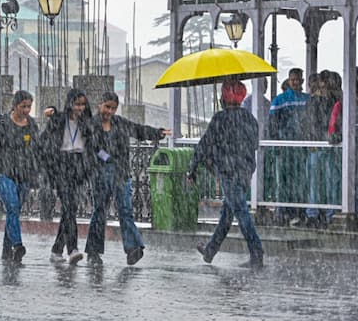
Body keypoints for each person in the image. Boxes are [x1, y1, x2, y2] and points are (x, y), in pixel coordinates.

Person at [84, 92, 170, 266]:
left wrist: (157, 133)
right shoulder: (91, 125)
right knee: (100, 211)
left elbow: (138, 130)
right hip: (101, 173)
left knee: (125, 210)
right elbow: (91, 147)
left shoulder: (120, 123)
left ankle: (133, 249)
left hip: (121, 172)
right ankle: (93, 251)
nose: (109, 111)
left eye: (113, 108)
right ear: (100, 104)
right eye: (107, 107)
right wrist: (106, 158)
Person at [189, 79, 264, 269]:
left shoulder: (220, 119)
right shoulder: (250, 118)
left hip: (228, 171)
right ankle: (210, 251)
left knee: (240, 211)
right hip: (245, 171)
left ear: (224, 97)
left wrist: (193, 167)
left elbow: (205, 144)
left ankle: (257, 253)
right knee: (227, 214)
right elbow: (254, 144)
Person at [0, 90, 41, 263]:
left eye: (29, 106)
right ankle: (17, 244)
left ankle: (7, 252)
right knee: (13, 207)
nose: (26, 110)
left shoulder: (31, 125)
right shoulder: (1, 123)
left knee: (13, 212)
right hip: (3, 173)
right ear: (14, 105)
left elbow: (36, 151)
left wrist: (35, 173)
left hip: (23, 175)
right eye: (23, 106)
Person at [41, 88, 94, 265]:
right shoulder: (59, 120)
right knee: (69, 207)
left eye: (82, 105)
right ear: (70, 104)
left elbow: (94, 146)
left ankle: (57, 250)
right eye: (77, 104)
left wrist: (105, 158)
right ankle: (72, 249)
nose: (80, 108)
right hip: (61, 166)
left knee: (69, 210)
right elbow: (45, 141)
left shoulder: (87, 123)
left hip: (79, 166)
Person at [268, 68, 309, 225]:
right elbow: (272, 124)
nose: (296, 82)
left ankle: (297, 211)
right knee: (284, 181)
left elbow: (310, 122)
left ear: (302, 81)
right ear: (289, 80)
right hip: (284, 147)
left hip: (300, 147)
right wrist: (276, 143)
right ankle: (283, 211)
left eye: (298, 79)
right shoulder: (279, 100)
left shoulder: (307, 99)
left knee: (300, 181)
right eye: (293, 79)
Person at [303, 70, 341, 228]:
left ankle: (316, 212)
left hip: (320, 145)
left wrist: (312, 139)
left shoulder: (315, 101)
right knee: (328, 180)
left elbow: (309, 122)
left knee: (318, 181)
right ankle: (327, 212)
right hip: (324, 144)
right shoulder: (335, 100)